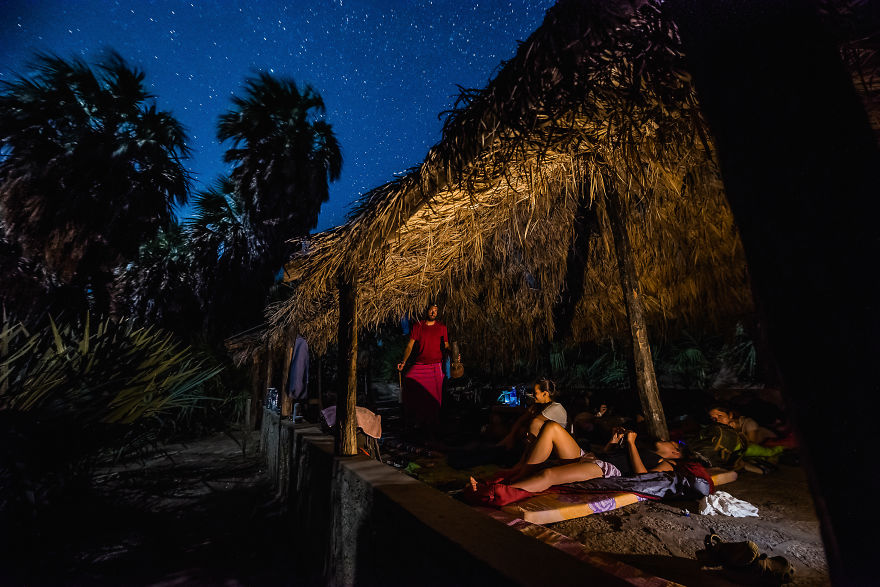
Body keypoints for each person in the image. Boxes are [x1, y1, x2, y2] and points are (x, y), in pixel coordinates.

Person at [470, 421, 682, 495]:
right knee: (551, 427)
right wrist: (614, 440)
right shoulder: (646, 450)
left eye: (671, 443)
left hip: (603, 469)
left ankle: (501, 492)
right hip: (592, 457)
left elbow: (643, 478)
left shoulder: (667, 465)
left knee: (549, 473)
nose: (665, 440)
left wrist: (632, 444)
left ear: (676, 453)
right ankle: (517, 477)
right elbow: (608, 453)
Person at [397, 303, 453, 439]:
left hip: (436, 367)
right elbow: (410, 346)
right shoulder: (418, 326)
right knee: (409, 381)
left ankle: (432, 429)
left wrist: (454, 354)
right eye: (431, 310)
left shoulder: (441, 328)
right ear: (426, 311)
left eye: (436, 310)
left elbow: (446, 345)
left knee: (435, 400)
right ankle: (414, 421)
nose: (434, 312)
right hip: (420, 365)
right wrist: (403, 361)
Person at [496, 379, 568, 451]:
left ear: (545, 394)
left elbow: (533, 423)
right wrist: (511, 436)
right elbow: (521, 419)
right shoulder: (538, 406)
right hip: (543, 441)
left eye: (535, 393)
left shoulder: (555, 408)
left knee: (530, 426)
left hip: (558, 445)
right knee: (516, 429)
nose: (532, 395)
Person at [708, 404, 777, 445]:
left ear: (730, 415)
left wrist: (736, 432)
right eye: (713, 418)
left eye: (720, 416)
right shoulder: (722, 427)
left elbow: (752, 444)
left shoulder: (749, 423)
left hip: (771, 441)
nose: (717, 420)